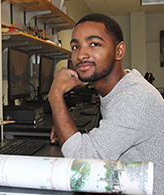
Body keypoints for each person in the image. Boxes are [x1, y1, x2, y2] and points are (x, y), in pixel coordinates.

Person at [48, 13, 164, 194]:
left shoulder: (135, 97)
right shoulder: (119, 89)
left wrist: (55, 94)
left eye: (94, 44)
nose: (81, 55)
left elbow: (82, 162)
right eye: (76, 46)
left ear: (119, 51)